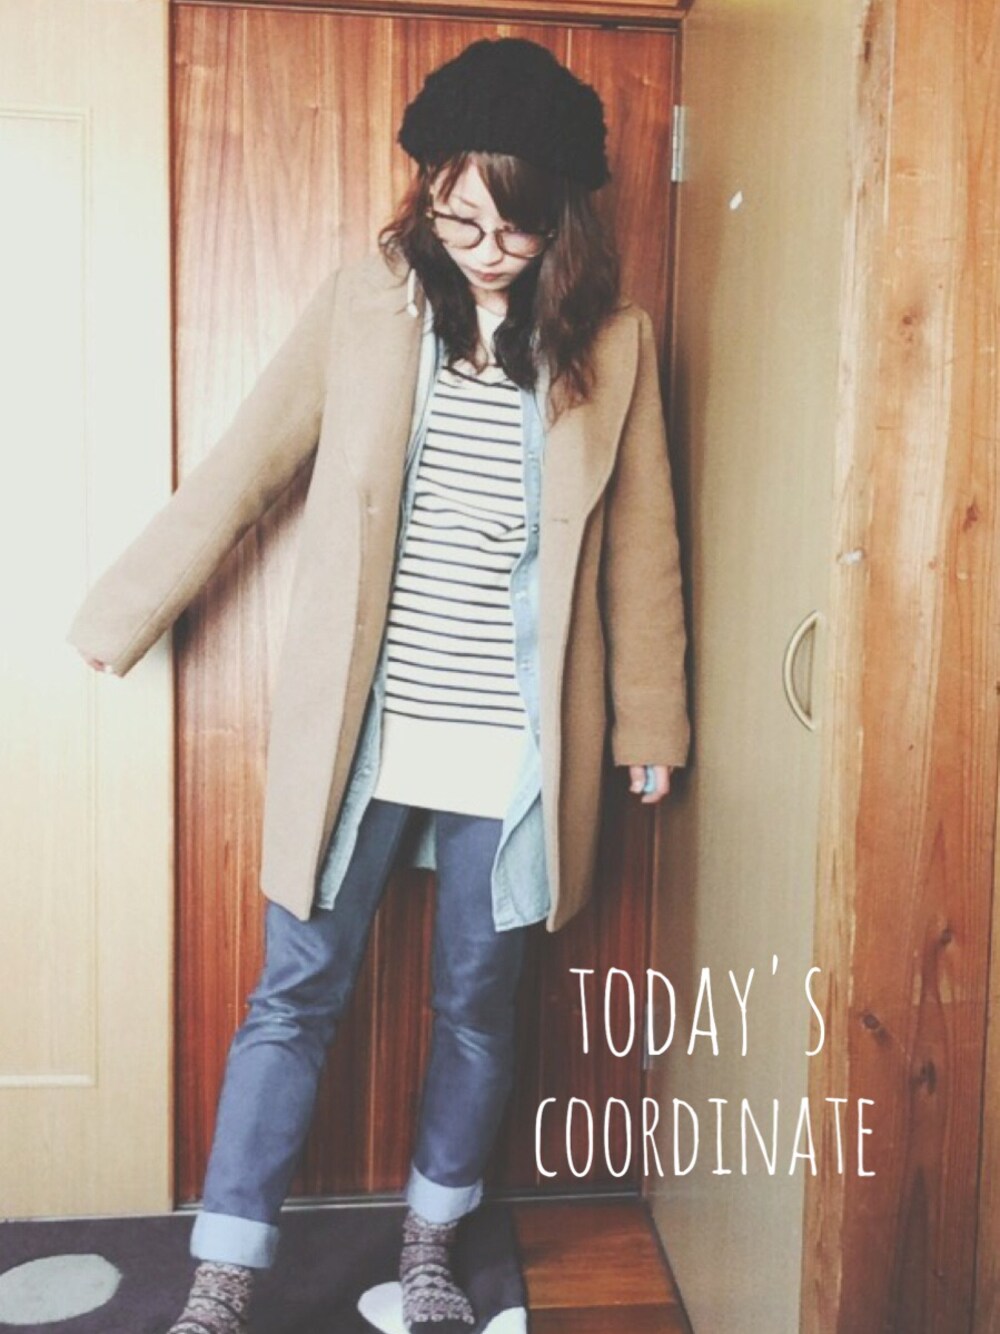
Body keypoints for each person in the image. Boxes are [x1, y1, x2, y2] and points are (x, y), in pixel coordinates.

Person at [68, 36, 691, 1334]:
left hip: (510, 746)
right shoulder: (368, 305)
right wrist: (125, 609)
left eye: (514, 226)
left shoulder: (614, 343)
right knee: (294, 995)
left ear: (561, 217)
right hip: (367, 732)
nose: (485, 248)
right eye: (460, 217)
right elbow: (244, 466)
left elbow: (642, 545)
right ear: (429, 192)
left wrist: (650, 722)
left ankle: (429, 1252)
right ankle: (222, 1278)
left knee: (477, 1005)